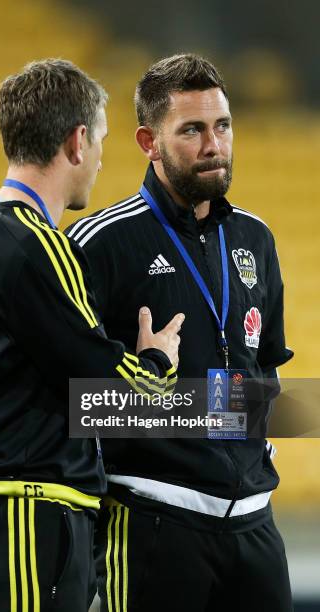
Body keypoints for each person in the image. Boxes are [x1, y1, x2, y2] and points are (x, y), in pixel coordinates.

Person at [0, 59, 184, 612]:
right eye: (98, 140)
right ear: (76, 141)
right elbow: (110, 392)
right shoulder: (39, 245)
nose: (99, 159)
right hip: (27, 512)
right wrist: (157, 363)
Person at [66, 54, 294, 611]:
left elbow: (272, 386)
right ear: (148, 141)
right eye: (191, 130)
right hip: (152, 525)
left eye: (222, 125)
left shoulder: (255, 240)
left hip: (255, 524)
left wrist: (187, 401)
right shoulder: (98, 244)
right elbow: (80, 405)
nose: (213, 144)